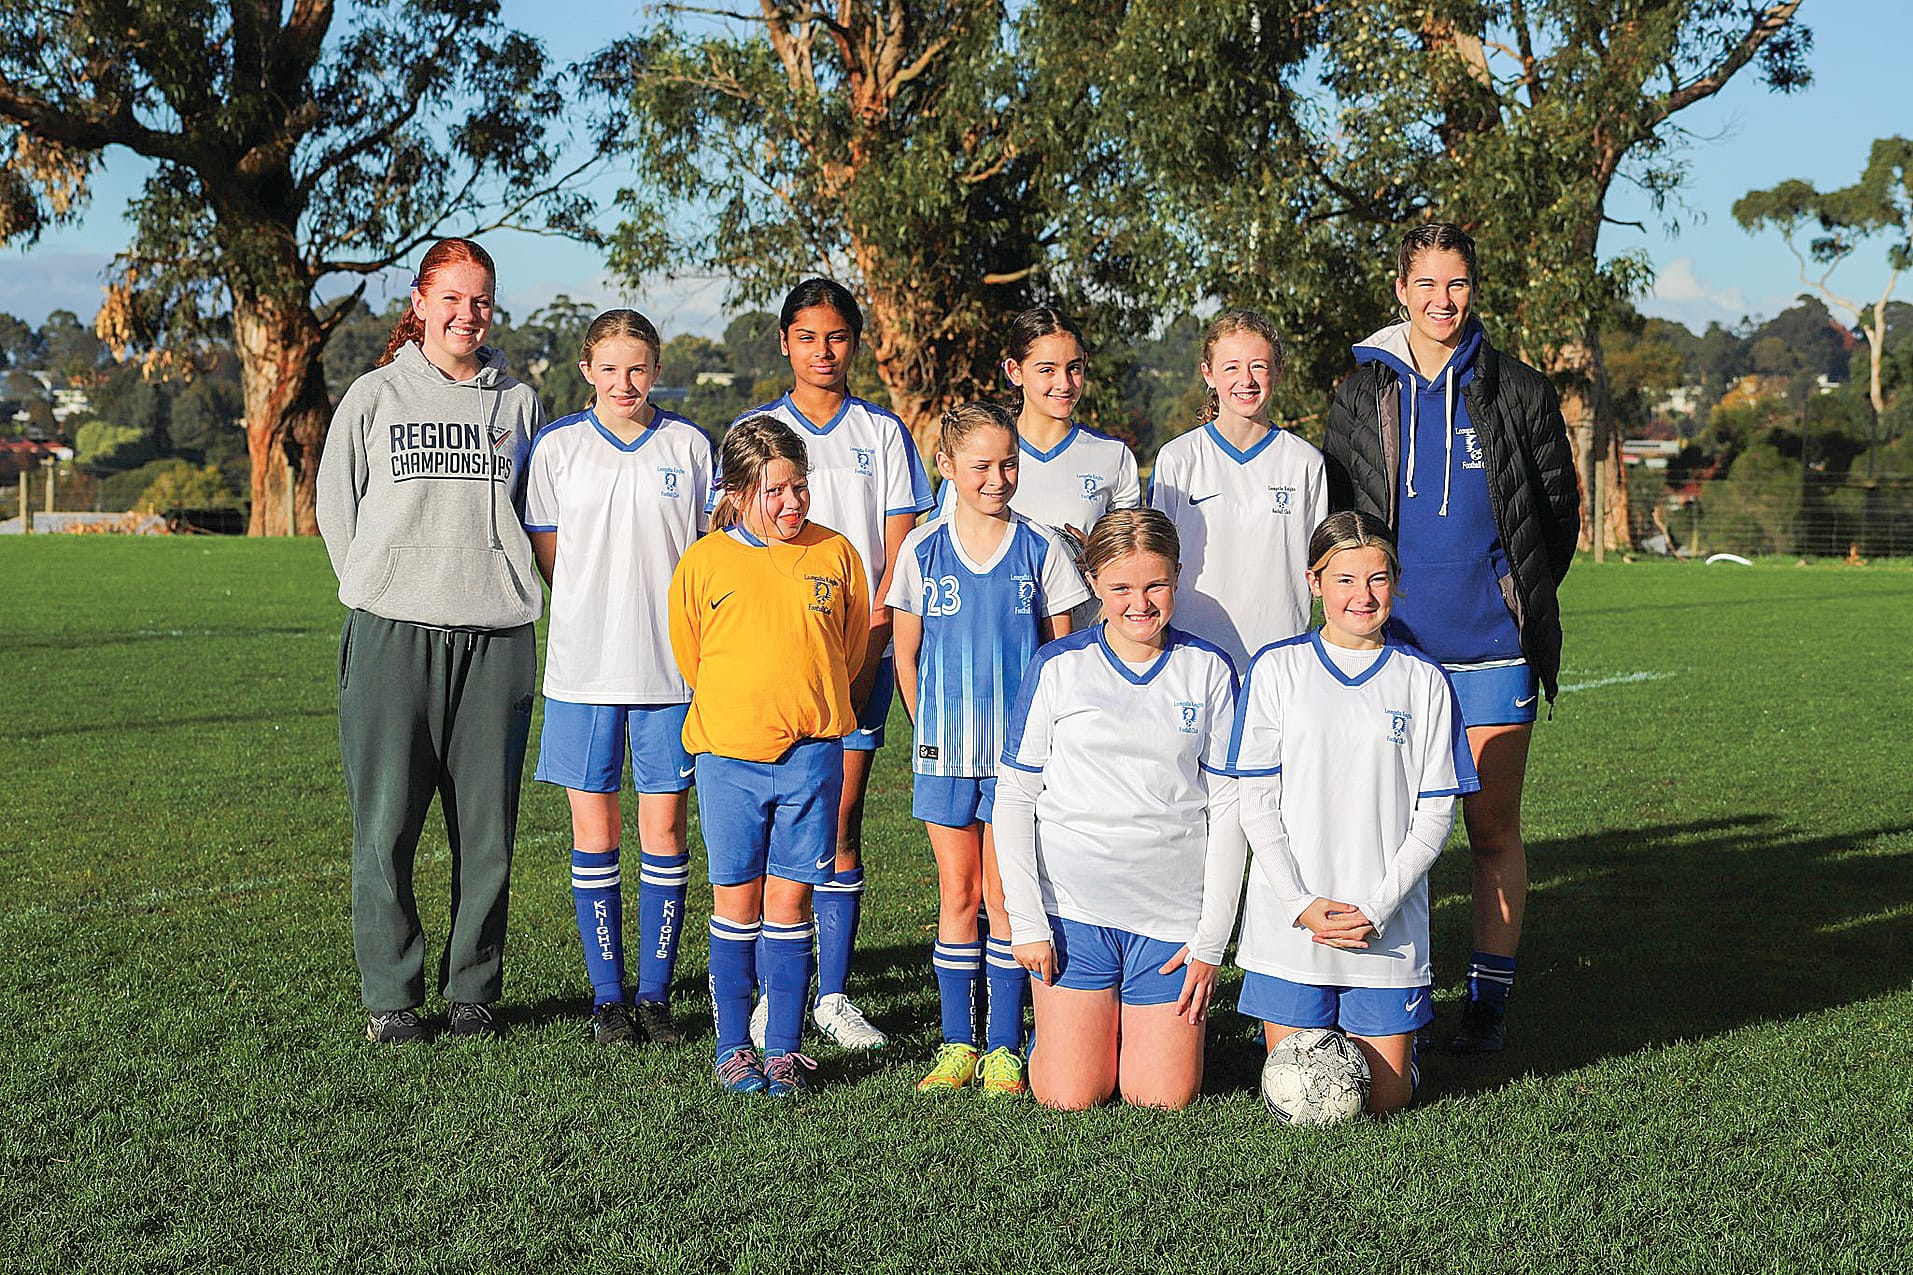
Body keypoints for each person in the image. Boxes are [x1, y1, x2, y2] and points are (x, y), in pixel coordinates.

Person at [1322, 223, 1579, 1053]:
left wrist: (1512, 597)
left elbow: (1555, 520)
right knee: (1394, 834)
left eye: (1457, 283)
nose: (1442, 300)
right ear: (1399, 289)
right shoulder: (1360, 390)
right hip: (1390, 654)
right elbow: (1338, 514)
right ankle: (1395, 993)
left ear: (1473, 288)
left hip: (1491, 650)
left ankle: (1487, 1005)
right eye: (1426, 284)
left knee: (1491, 828)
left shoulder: (1520, 390)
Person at [316, 237, 542, 1044]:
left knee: (487, 832)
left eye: (480, 299)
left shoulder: (518, 403)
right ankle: (392, 996)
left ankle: (474, 989)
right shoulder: (374, 397)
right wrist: (383, 585)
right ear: (418, 302)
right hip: (391, 634)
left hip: (497, 639)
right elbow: (336, 509)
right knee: (386, 827)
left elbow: (531, 514)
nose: (466, 314)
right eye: (450, 298)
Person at [1226, 511, 1480, 1114]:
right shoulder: (1277, 669)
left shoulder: (1423, 680)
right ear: (1315, 583)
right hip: (1294, 920)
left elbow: (1434, 815)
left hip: (1383, 925)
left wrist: (1377, 906)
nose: (1361, 596)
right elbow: (1255, 803)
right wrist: (1299, 904)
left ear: (1395, 581)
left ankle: (1399, 1052)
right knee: (1295, 1091)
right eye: (1343, 579)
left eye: (1377, 578)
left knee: (1386, 1101)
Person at [737, 279, 935, 1051]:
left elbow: (900, 547)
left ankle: (833, 993)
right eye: (808, 336)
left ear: (856, 342)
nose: (824, 351)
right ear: (784, 341)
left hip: (860, 651)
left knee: (841, 818)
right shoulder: (758, 431)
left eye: (838, 337)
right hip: (775, 661)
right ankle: (764, 987)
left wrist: (870, 641)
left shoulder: (881, 433)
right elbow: (740, 545)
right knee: (774, 821)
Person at [994, 509, 1245, 1110]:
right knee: (1070, 1096)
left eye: (1156, 584)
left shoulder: (1209, 669)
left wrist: (1211, 937)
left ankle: (1126, 1025)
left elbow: (1230, 806)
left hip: (1170, 922)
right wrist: (1028, 923)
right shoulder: (1058, 668)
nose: (1140, 602)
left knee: (1162, 1097)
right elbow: (1014, 799)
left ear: (1178, 577)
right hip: (1074, 915)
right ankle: (1067, 1027)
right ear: (1093, 583)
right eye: (1121, 588)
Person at [522, 309, 714, 1047]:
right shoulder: (559, 448)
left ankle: (657, 994)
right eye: (609, 369)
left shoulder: (689, 445)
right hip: (582, 672)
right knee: (593, 832)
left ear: (656, 369)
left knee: (663, 831)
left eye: (636, 368)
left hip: (671, 675)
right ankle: (608, 998)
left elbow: (704, 553)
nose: (623, 382)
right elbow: (550, 551)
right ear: (587, 371)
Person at [888, 401, 1089, 1096]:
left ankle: (1004, 1045)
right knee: (957, 892)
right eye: (981, 466)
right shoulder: (922, 548)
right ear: (946, 467)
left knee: (1006, 898)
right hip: (945, 756)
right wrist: (927, 730)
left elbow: (1060, 655)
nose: (998, 478)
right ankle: (954, 1043)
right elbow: (906, 657)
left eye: (1008, 463)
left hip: (1016, 764)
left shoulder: (1040, 547)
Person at [668, 416, 869, 1096]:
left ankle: (781, 1048)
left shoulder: (836, 554)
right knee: (736, 903)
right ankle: (732, 1048)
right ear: (734, 491)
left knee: (790, 905)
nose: (791, 503)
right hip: (729, 760)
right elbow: (691, 653)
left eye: (799, 487)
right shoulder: (703, 563)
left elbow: (849, 647)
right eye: (773, 491)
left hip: (812, 757)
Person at [1148, 309, 1327, 673]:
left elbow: (1319, 567)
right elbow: (1154, 562)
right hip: (1192, 659)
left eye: (1259, 366)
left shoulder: (1305, 462)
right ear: (1208, 374)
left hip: (1281, 661)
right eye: (1231, 367)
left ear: (1278, 372)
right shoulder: (1178, 459)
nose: (1246, 380)